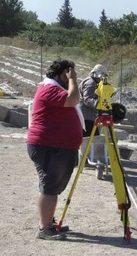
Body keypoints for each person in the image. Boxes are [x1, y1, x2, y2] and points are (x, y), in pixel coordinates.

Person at [27, 59, 82, 240]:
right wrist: (73, 79)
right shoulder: (50, 89)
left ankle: (48, 223)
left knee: (53, 187)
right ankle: (44, 229)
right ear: (61, 74)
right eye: (68, 73)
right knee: (49, 187)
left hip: (56, 146)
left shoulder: (53, 88)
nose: (71, 77)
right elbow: (73, 99)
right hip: (49, 146)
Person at [79, 64, 107, 136]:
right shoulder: (91, 83)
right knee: (91, 140)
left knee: (93, 140)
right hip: (86, 117)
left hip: (87, 116)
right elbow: (87, 100)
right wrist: (99, 105)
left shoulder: (92, 82)